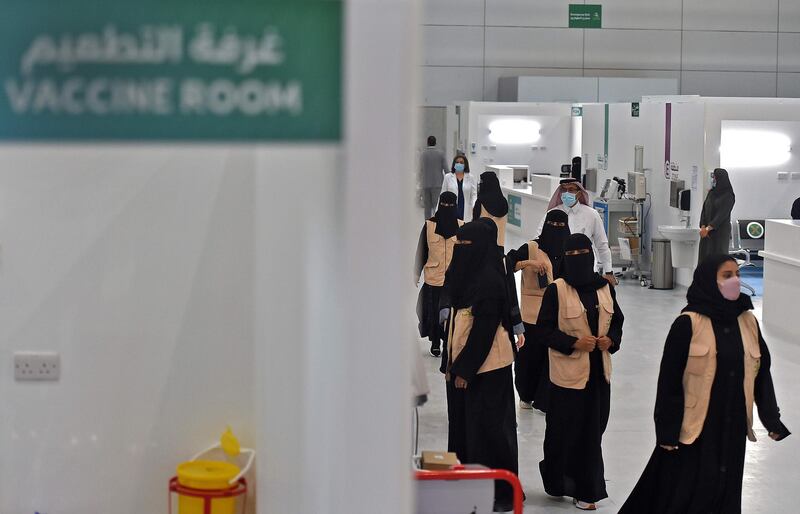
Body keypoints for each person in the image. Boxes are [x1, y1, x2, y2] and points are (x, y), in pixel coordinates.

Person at [619, 254, 790, 514]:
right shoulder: (688, 324)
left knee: (726, 493)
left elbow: (761, 374)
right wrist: (666, 432)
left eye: (737, 274)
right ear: (710, 281)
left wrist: (771, 419)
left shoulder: (748, 322)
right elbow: (669, 383)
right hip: (697, 429)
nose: (735, 280)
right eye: (726, 275)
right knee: (690, 494)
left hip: (733, 429)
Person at [537, 234, 624, 511]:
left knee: (592, 431)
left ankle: (581, 486)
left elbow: (617, 321)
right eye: (572, 253)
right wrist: (574, 343)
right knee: (566, 433)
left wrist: (611, 339)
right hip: (567, 378)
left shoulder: (605, 288)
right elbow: (544, 331)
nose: (578, 258)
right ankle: (574, 486)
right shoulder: (557, 290)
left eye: (583, 252)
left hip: (599, 376)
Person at [441, 218, 521, 513]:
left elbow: (484, 331)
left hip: (487, 370)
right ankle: (468, 486)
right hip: (465, 363)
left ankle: (499, 493)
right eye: (457, 244)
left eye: (465, 244)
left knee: (490, 432)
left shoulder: (489, 280)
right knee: (465, 429)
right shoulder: (469, 273)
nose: (460, 249)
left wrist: (464, 370)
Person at [507, 209, 571, 412]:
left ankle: (545, 399)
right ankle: (526, 394)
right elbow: (508, 264)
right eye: (554, 225)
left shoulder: (570, 250)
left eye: (562, 226)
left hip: (559, 314)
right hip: (532, 316)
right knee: (529, 358)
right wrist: (529, 263)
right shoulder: (532, 248)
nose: (558, 231)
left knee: (551, 358)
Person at [536, 178, 616, 287]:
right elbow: (538, 240)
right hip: (557, 272)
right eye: (564, 190)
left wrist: (609, 272)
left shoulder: (592, 215)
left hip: (586, 270)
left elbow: (602, 245)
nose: (566, 193)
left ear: (579, 193)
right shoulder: (552, 214)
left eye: (571, 189)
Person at [415, 192, 462, 357]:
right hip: (433, 278)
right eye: (445, 205)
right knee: (433, 312)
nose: (447, 209)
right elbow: (422, 250)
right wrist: (416, 273)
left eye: (451, 206)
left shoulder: (461, 226)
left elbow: (465, 253)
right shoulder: (429, 226)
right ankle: (435, 342)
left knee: (450, 313)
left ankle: (446, 341)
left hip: (453, 280)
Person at [699, 168, 736, 262]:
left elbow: (721, 215)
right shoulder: (711, 193)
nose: (713, 180)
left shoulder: (728, 195)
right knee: (704, 259)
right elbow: (704, 209)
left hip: (719, 234)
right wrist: (703, 226)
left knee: (717, 260)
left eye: (715, 178)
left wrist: (708, 228)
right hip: (706, 234)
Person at [473, 171, 509, 247]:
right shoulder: (504, 202)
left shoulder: (481, 202)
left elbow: (474, 222)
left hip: (483, 247)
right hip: (500, 245)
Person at [419, 136, 449, 219]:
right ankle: (437, 224)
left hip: (425, 183)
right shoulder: (441, 154)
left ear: (427, 143)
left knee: (427, 207)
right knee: (436, 205)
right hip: (437, 183)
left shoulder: (423, 154)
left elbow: (420, 169)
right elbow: (446, 169)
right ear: (435, 143)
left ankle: (427, 224)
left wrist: (419, 180)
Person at [441, 155, 478, 222]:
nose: (459, 164)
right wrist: (438, 210)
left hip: (465, 209)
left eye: (461, 162)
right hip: (451, 208)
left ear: (465, 164)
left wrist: (474, 206)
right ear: (454, 164)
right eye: (457, 162)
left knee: (464, 229)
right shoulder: (448, 177)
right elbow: (442, 194)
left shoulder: (470, 177)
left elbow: (474, 194)